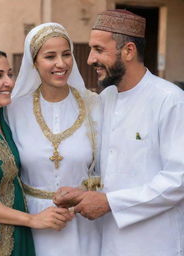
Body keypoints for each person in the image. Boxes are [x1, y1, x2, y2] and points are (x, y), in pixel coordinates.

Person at [0, 24, 102, 255]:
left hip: (80, 223)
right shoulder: (13, 111)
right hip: (24, 224)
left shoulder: (95, 106)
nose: (61, 63)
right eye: (50, 56)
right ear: (34, 62)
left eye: (66, 54)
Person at [54, 9, 184, 256]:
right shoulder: (107, 98)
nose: (90, 59)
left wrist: (109, 202)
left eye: (99, 50)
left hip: (156, 243)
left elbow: (178, 180)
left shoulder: (170, 101)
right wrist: (85, 194)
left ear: (129, 51)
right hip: (109, 240)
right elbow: (113, 171)